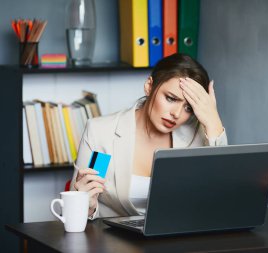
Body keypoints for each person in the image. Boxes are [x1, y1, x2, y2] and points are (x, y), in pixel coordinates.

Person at [70, 53, 228, 219]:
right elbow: (80, 205)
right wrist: (87, 207)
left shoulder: (199, 137)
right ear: (149, 86)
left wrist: (214, 122)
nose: (176, 113)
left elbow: (220, 199)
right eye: (171, 98)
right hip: (111, 240)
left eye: (188, 108)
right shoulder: (103, 134)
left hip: (178, 240)